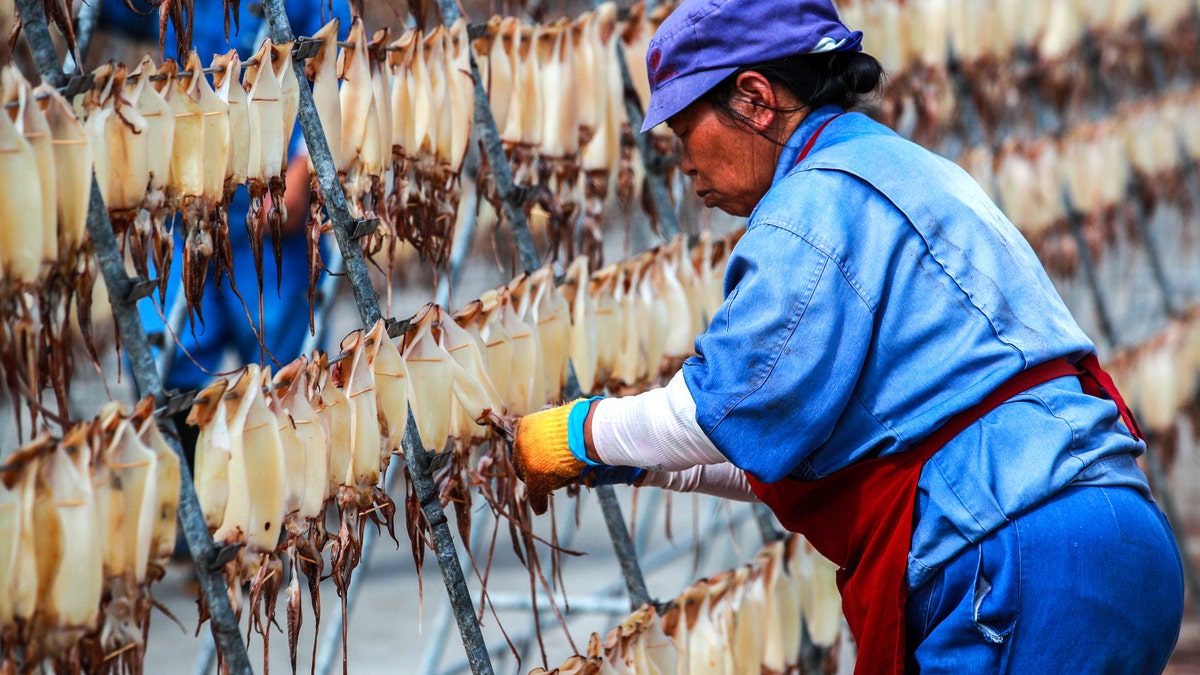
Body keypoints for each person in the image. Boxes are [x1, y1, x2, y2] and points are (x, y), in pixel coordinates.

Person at [510, 0, 1185, 672]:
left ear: (755, 99)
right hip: (1115, 535)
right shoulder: (906, 167)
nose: (682, 164)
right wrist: (642, 460)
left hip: (1013, 560)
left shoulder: (812, 202)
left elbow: (732, 405)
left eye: (685, 129)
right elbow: (823, 438)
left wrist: (575, 433)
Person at [100, 0, 349, 443]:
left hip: (271, 198)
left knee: (282, 353)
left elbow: (339, 66)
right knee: (169, 344)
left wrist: (305, 168)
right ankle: (194, 494)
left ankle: (278, 491)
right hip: (186, 199)